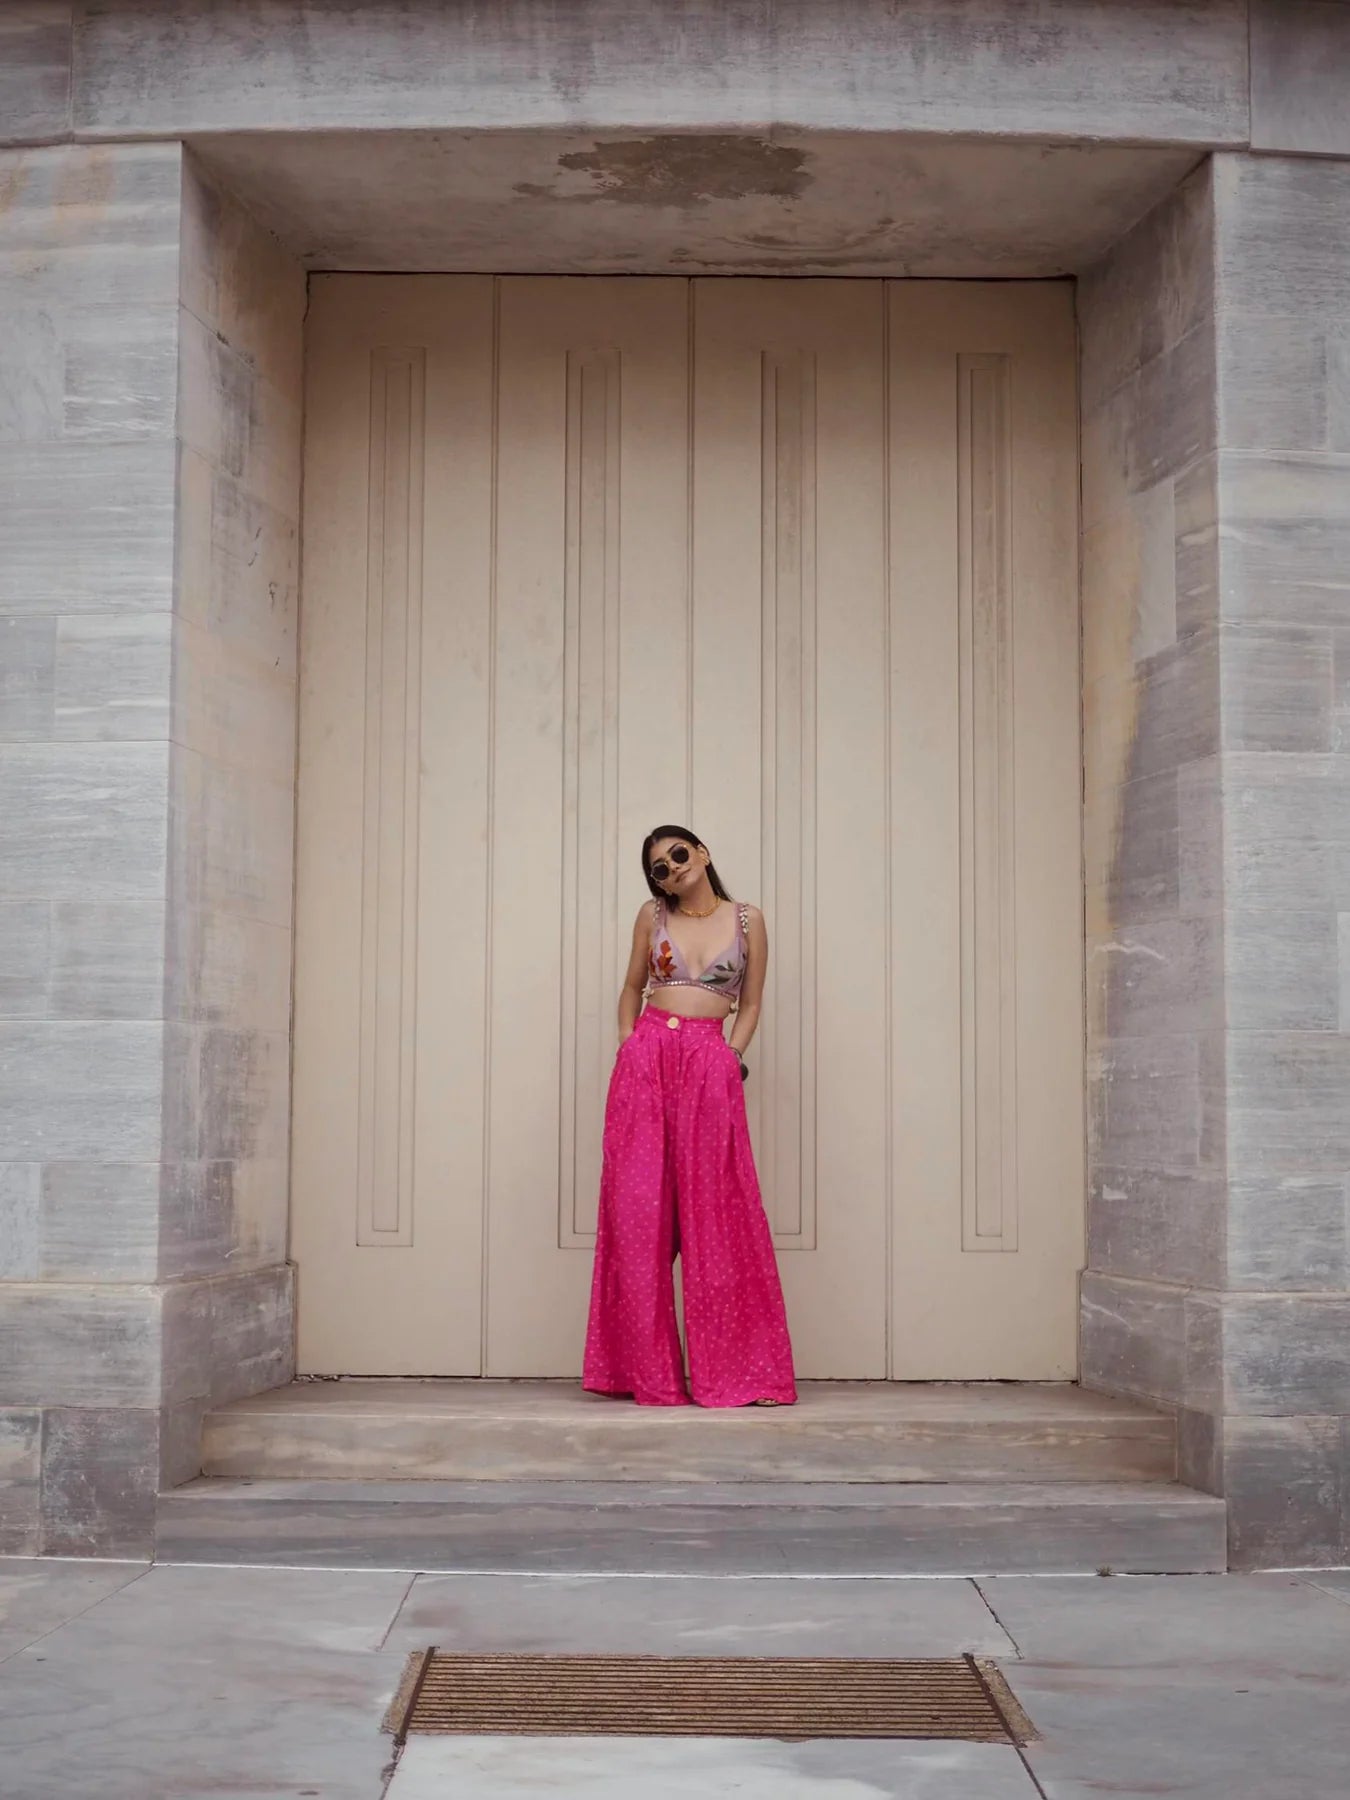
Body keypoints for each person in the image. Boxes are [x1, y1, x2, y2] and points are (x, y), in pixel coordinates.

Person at [582, 826, 797, 1407]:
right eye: (658, 866)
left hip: (709, 1062)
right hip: (647, 1061)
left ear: (702, 854)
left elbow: (749, 1002)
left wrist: (732, 1055)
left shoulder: (748, 919)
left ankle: (738, 1374)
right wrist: (629, 1044)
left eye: (679, 854)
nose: (671, 868)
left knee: (718, 1217)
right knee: (638, 1215)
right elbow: (631, 987)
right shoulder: (651, 916)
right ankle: (641, 1375)